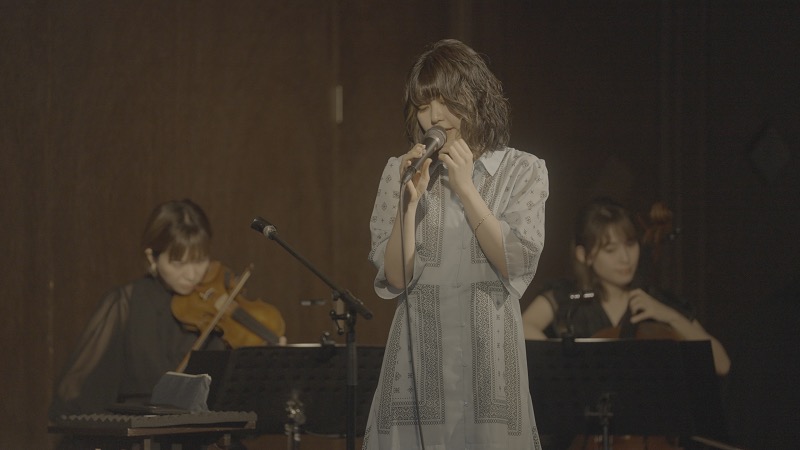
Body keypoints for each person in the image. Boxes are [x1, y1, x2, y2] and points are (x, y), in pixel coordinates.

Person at [364, 39, 549, 449]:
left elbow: (516, 262)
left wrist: (466, 188)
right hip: (416, 371)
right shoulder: (401, 170)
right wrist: (408, 204)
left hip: (489, 372)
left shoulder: (523, 170)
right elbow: (396, 277)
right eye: (422, 105)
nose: (433, 116)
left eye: (445, 101)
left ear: (476, 99)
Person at [49, 199, 283, 421]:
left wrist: (265, 362)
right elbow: (72, 392)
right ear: (152, 257)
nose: (192, 274)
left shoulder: (218, 313)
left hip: (203, 433)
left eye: (200, 260)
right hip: (139, 433)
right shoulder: (126, 302)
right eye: (178, 263)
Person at [521, 197, 731, 376]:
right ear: (583, 255)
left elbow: (722, 364)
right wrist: (568, 365)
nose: (625, 258)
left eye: (630, 244)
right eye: (610, 250)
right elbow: (520, 329)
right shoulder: (566, 297)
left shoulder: (656, 301)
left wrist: (671, 317)